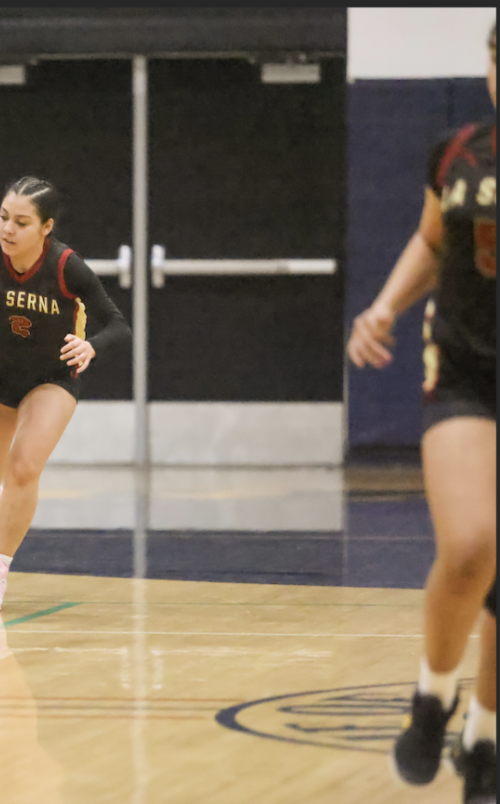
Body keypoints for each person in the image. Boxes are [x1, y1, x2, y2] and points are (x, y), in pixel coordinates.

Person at [347, 24, 496, 804]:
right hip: (467, 367)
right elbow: (434, 242)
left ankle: (486, 737)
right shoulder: (458, 152)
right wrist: (383, 308)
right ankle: (433, 698)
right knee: (471, 547)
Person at [0, 178, 129, 611]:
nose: (8, 229)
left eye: (22, 222)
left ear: (46, 228)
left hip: (52, 379)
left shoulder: (66, 267)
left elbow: (118, 325)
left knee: (25, 466)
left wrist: (91, 346)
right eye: (3, 217)